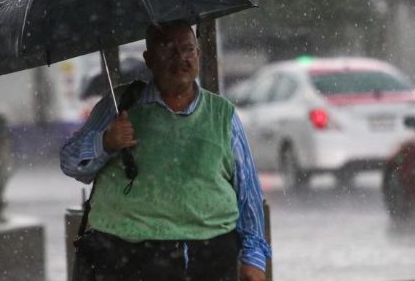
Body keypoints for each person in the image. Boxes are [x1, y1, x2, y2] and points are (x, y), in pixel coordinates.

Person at [60, 20, 271, 281]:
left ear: (199, 54)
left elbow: (247, 191)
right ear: (149, 59)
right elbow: (70, 162)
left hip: (208, 259)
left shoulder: (223, 114)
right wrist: (106, 142)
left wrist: (254, 258)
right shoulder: (121, 105)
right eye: (167, 50)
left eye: (187, 49)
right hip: (123, 260)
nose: (180, 58)